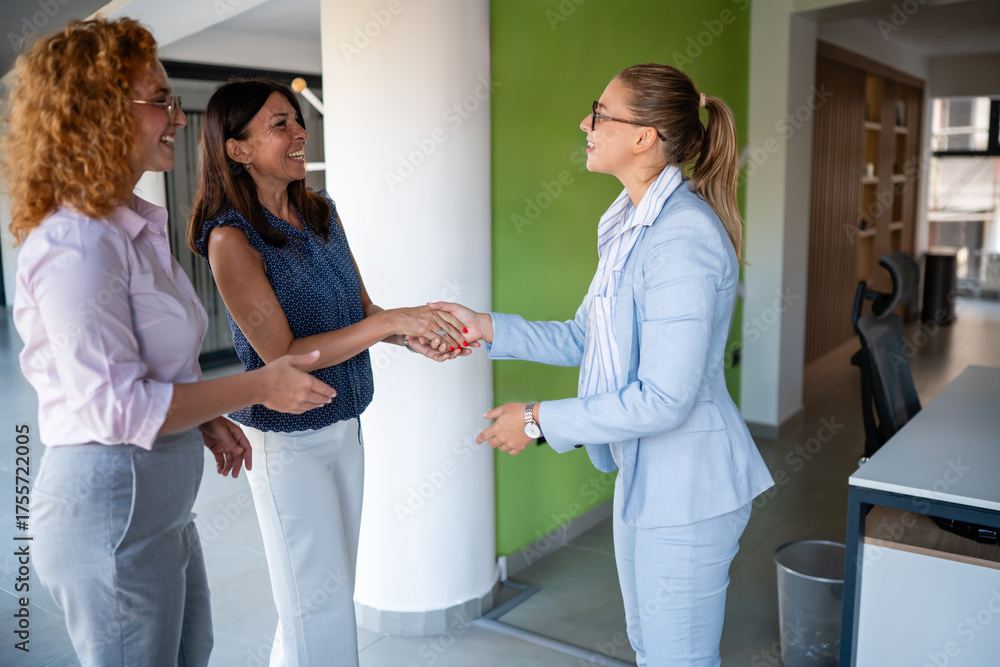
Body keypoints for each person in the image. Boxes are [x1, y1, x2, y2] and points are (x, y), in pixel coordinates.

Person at [5, 18, 337, 667]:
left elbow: (150, 362)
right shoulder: (76, 245)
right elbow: (116, 408)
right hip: (107, 513)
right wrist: (260, 385)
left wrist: (209, 415)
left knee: (192, 652)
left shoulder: (132, 227)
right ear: (96, 113)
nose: (178, 118)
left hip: (159, 505)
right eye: (159, 100)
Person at [432, 64, 775, 666]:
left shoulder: (681, 237)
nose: (584, 123)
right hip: (643, 475)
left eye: (601, 112)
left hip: (691, 488)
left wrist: (538, 419)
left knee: (677, 659)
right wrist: (486, 328)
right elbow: (587, 339)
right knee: (650, 649)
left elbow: (666, 399)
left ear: (644, 137)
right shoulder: (629, 226)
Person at [186, 78, 465, 666]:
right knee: (320, 611)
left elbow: (364, 313)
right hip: (288, 442)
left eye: (297, 120)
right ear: (236, 150)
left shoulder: (321, 212)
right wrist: (392, 324)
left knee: (321, 601)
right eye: (279, 124)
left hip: (345, 428)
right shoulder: (231, 240)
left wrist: (414, 335)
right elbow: (283, 354)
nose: (298, 133)